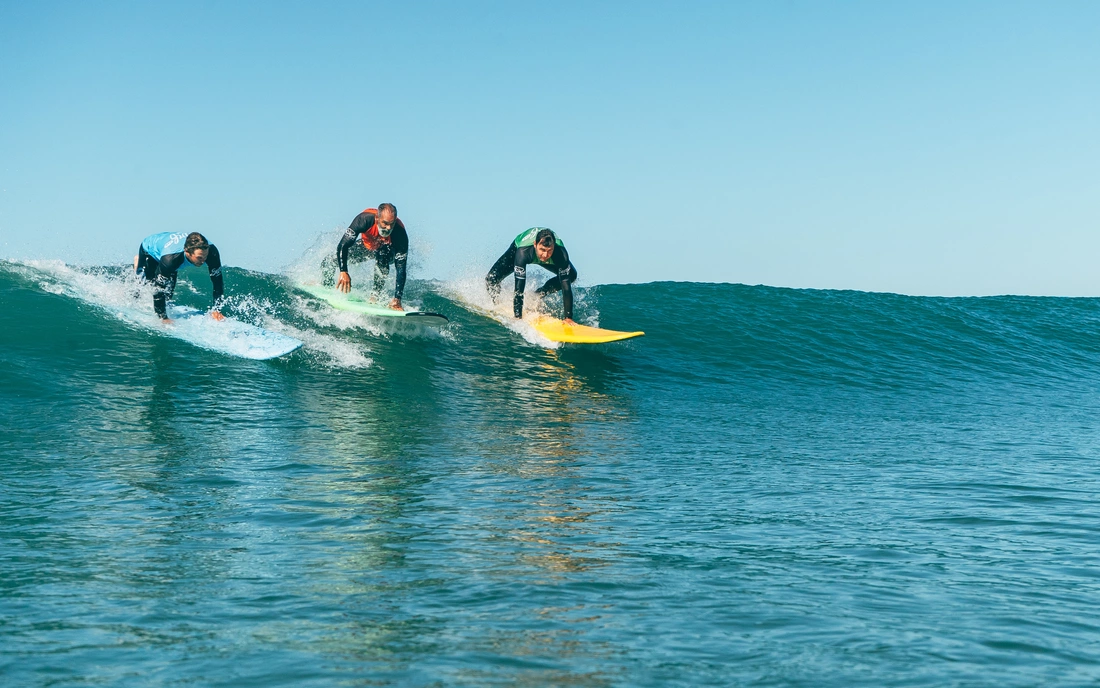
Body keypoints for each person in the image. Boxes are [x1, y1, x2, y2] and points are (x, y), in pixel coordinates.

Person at [485, 227, 577, 325]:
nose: (545, 254)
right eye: (542, 249)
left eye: (549, 250)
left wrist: (568, 318)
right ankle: (497, 304)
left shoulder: (560, 254)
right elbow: (519, 287)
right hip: (520, 248)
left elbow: (566, 287)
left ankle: (539, 294)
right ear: (535, 244)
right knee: (491, 279)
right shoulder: (522, 252)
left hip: (545, 255)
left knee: (571, 275)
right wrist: (518, 316)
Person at [134, 232, 225, 323]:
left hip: (170, 254)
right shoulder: (170, 260)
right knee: (144, 283)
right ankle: (137, 264)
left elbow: (217, 282)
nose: (203, 260)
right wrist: (163, 318)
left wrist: (216, 309)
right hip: (150, 250)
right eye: (199, 258)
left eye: (205, 256)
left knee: (168, 295)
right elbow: (158, 289)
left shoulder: (212, 253)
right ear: (187, 252)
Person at [331, 203, 408, 310]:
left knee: (383, 255)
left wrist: (397, 299)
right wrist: (343, 271)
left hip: (387, 249)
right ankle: (325, 285)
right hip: (366, 246)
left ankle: (375, 296)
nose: (389, 228)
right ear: (377, 218)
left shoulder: (400, 233)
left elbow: (401, 268)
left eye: (392, 224)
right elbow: (343, 245)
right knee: (330, 261)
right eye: (385, 223)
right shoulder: (364, 220)